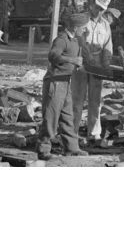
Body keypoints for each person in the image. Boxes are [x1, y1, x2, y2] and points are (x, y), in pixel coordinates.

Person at [37, 13, 90, 161]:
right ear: (75, 27)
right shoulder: (61, 39)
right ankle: (43, 149)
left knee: (67, 117)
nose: (85, 31)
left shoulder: (76, 40)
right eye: (83, 28)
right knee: (50, 116)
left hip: (66, 82)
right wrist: (73, 60)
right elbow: (52, 56)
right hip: (55, 82)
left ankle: (72, 148)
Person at [71, 0, 113, 144]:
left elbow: (108, 45)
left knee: (95, 101)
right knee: (77, 99)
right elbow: (77, 39)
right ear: (92, 5)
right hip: (81, 62)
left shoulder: (105, 24)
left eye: (102, 9)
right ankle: (73, 131)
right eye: (97, 7)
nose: (99, 11)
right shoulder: (83, 20)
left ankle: (94, 133)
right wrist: (84, 54)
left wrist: (106, 63)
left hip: (98, 64)